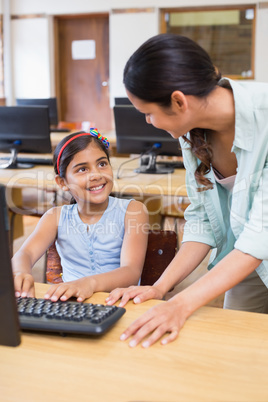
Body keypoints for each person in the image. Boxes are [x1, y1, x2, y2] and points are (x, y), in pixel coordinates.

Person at [105, 33, 268, 348]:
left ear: (179, 101)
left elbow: (259, 238)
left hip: (252, 250)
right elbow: (202, 220)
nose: (149, 122)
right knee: (234, 352)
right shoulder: (190, 130)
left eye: (148, 113)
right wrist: (161, 287)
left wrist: (180, 305)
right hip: (245, 260)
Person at [12, 128, 149, 302]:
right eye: (82, 169)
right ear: (62, 182)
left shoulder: (133, 211)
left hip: (120, 303)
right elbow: (25, 254)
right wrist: (20, 273)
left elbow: (131, 271)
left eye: (102, 164)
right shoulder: (55, 217)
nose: (96, 175)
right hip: (73, 303)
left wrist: (88, 284)